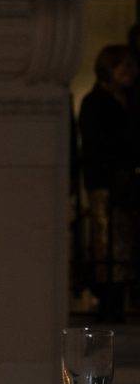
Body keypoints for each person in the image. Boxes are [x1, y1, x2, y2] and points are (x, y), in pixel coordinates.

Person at [77, 43, 139, 317]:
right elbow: (97, 144)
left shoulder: (129, 100)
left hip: (127, 181)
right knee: (108, 238)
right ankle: (109, 296)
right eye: (124, 66)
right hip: (105, 181)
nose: (131, 72)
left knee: (124, 238)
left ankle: (122, 294)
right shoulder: (96, 103)